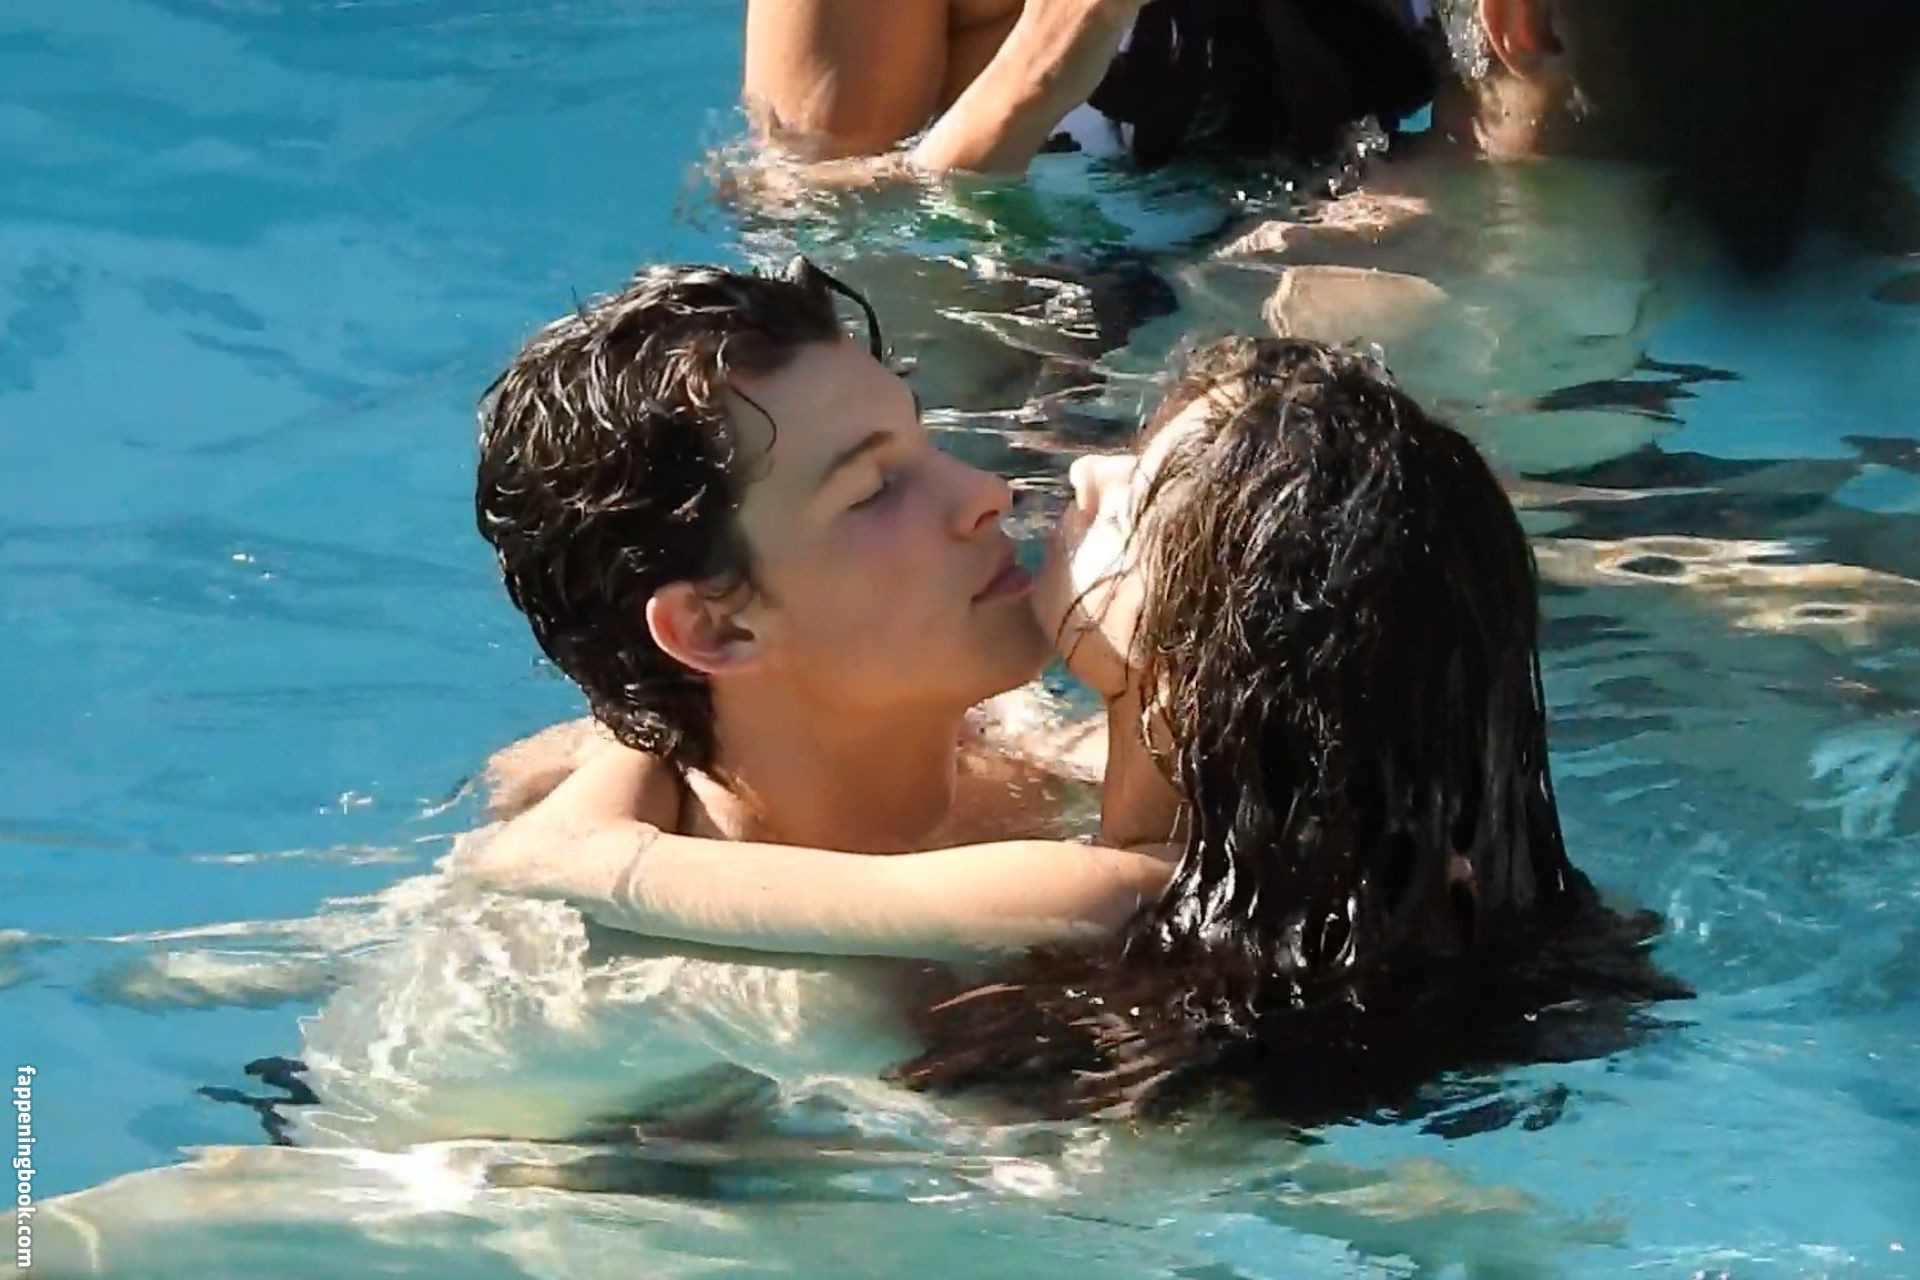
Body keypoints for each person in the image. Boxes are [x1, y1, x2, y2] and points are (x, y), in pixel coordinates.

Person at [891, 334, 1687, 1118]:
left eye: (1135, 500)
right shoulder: (1334, 846)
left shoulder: (1103, 892)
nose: (1087, 472)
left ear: (1194, 665)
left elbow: (807, 898)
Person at [464, 257, 1178, 957]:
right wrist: (1144, 676)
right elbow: (1147, 892)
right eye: (873, 489)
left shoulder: (1022, 745)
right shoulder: (692, 986)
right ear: (715, 625)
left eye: (925, 442)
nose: (987, 491)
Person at [742, 0, 1435, 174]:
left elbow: (1485, 158)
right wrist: (1036, 72)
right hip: (1044, 386)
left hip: (1356, 300)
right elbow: (817, 240)